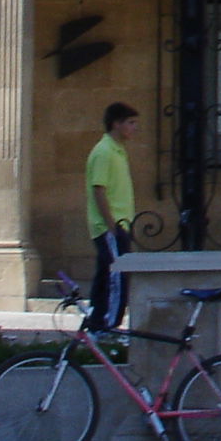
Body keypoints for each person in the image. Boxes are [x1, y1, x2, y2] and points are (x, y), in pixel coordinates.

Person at [85, 102, 139, 332]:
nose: (135, 128)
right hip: (111, 226)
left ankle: (97, 322)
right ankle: (108, 325)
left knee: (106, 275)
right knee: (117, 277)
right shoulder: (104, 152)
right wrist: (111, 226)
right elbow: (99, 190)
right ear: (116, 124)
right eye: (131, 123)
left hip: (119, 224)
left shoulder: (117, 150)